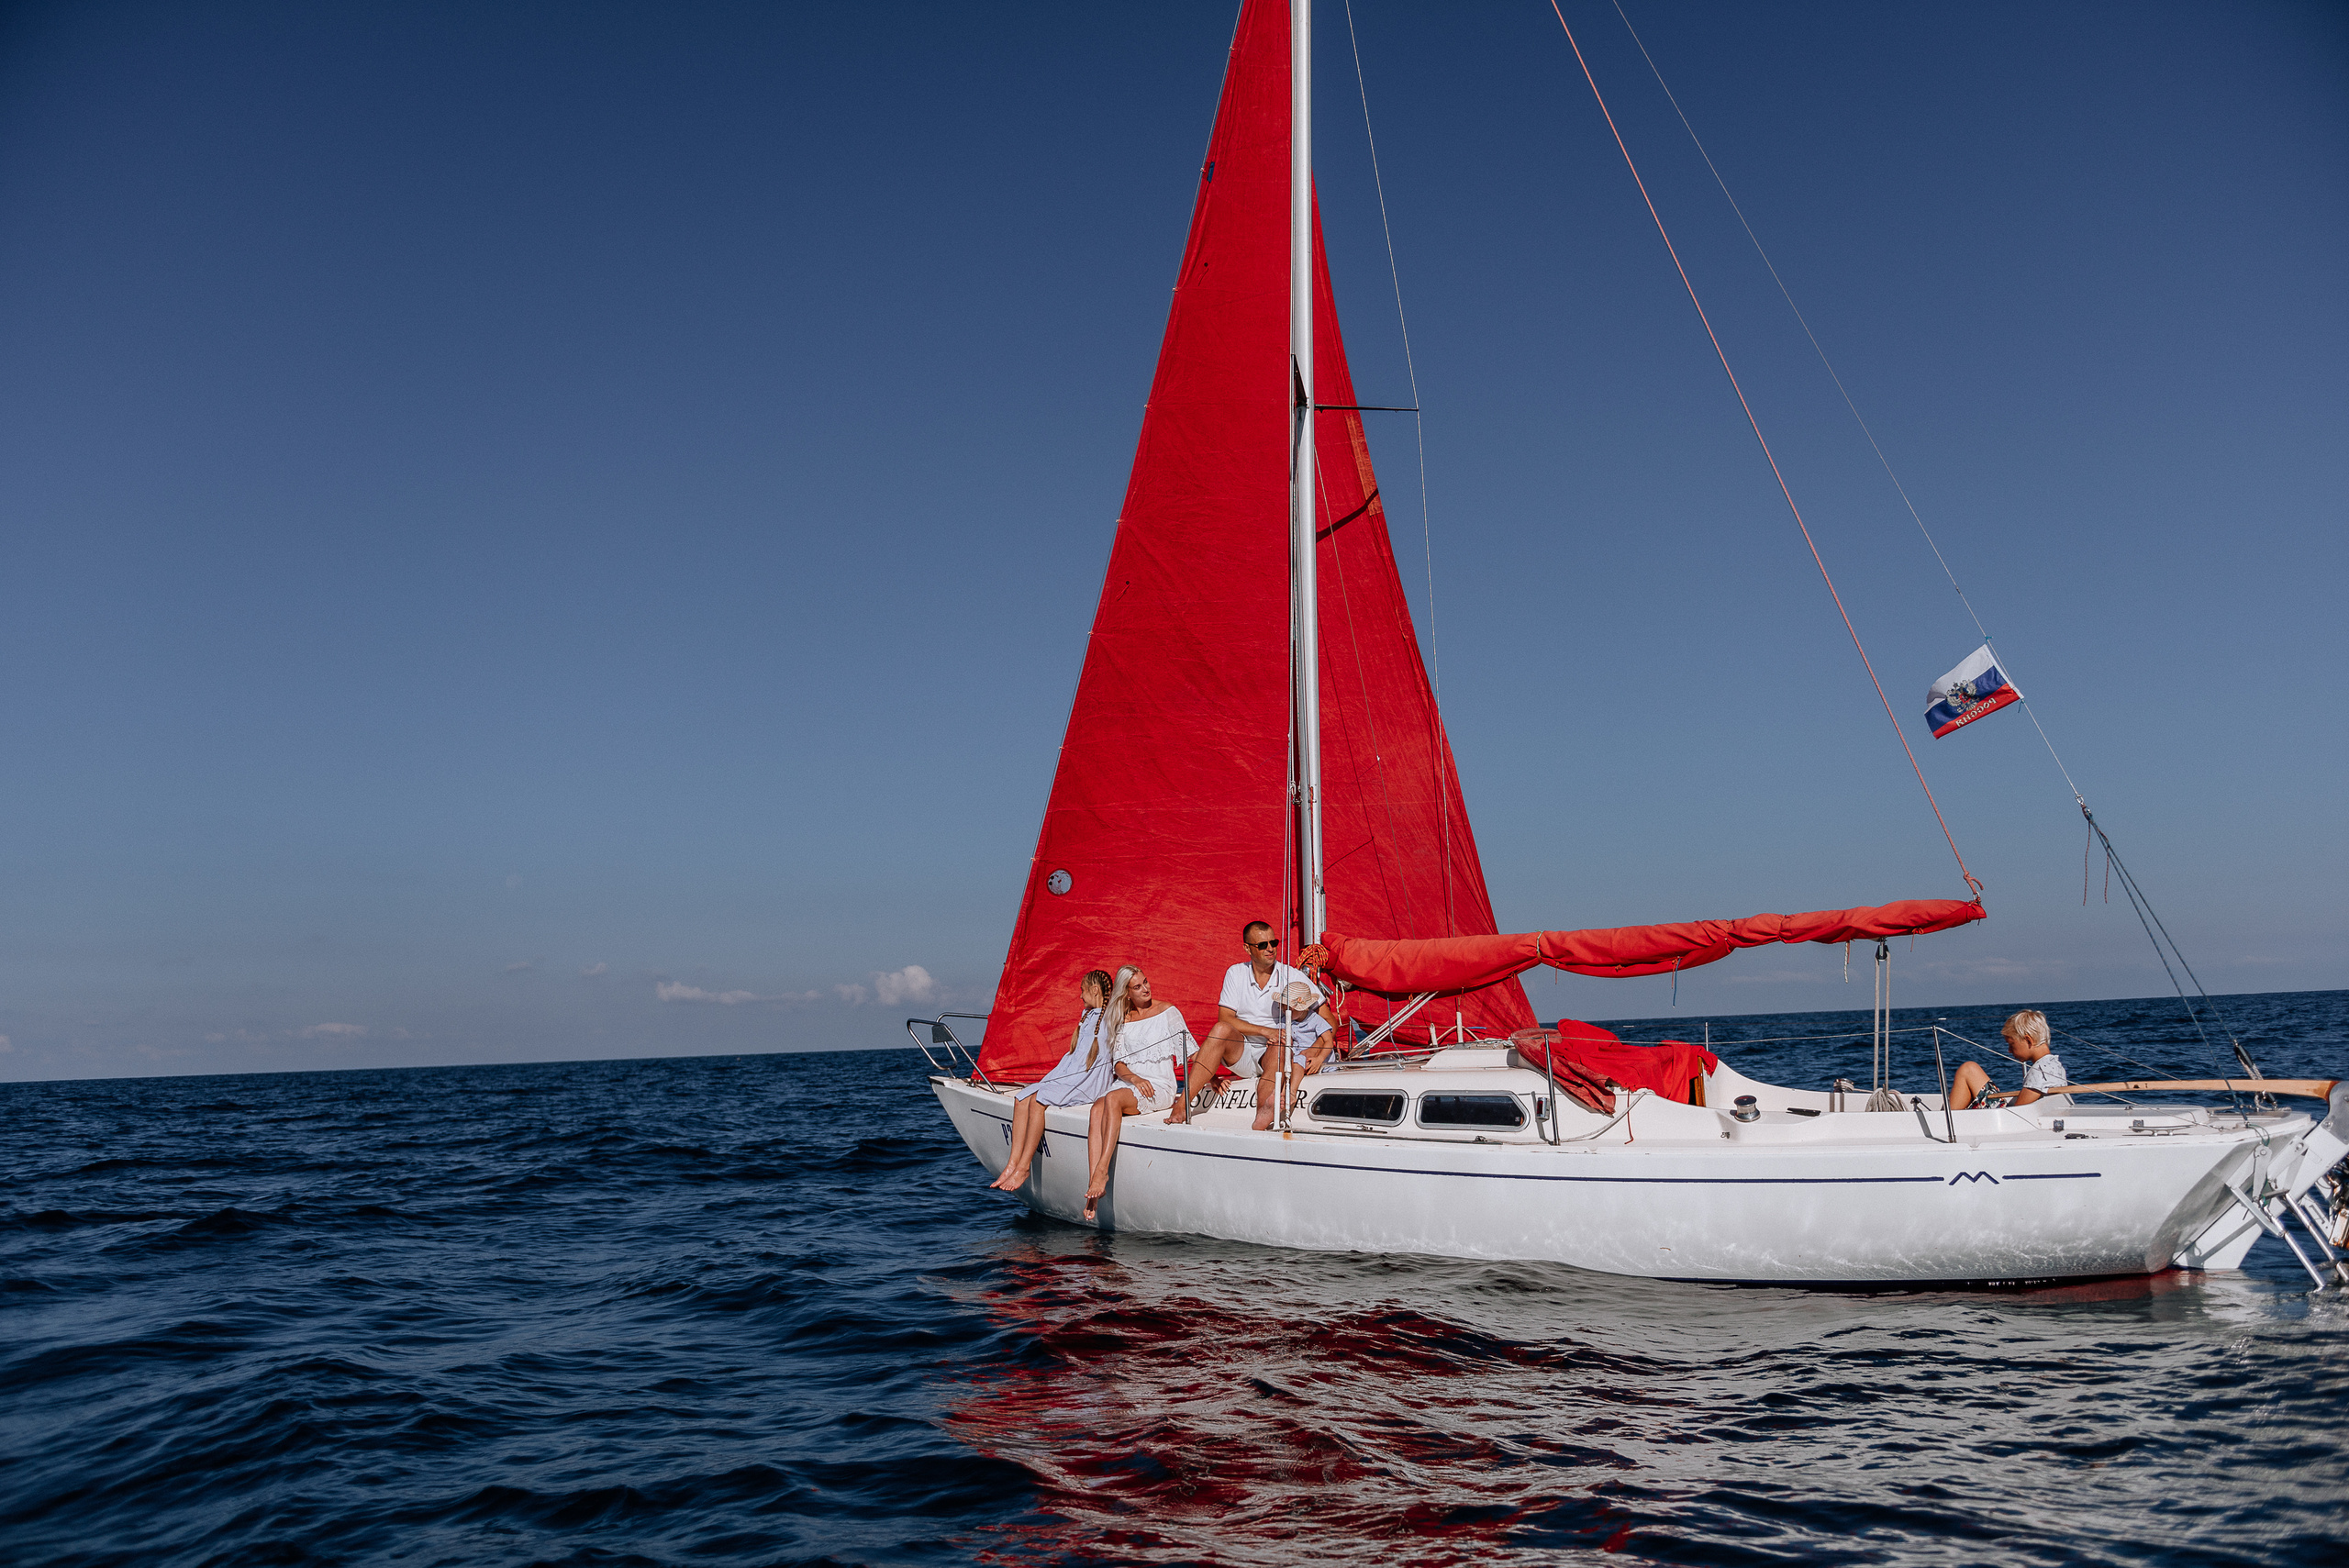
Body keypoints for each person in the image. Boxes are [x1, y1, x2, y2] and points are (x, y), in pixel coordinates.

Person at [1168, 920, 1333, 1129]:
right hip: (1242, 1051)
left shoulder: (1292, 976)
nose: (1270, 948)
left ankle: (1262, 1116)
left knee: (1280, 1046)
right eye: (1262, 945)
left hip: (1277, 1052)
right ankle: (1182, 1105)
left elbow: (1329, 1021)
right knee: (1220, 1029)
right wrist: (1265, 1031)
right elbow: (1225, 1018)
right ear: (1247, 948)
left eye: (1273, 942)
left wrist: (1315, 1052)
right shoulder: (1236, 973)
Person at [987, 968, 1116, 1192]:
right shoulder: (1087, 1016)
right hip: (1070, 1074)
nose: (1080, 996)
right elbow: (1074, 1057)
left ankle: (1024, 1167)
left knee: (1038, 1100)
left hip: (1088, 1081)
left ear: (1095, 990)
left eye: (1083, 990)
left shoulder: (1110, 1017)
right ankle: (1012, 1164)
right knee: (1021, 1098)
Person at [1080, 964, 1187, 1220]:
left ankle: (1102, 1171)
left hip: (1159, 1085)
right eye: (1137, 987)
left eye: (1145, 982)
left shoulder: (1168, 1011)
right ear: (1127, 993)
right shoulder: (1123, 1019)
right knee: (1097, 1108)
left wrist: (1211, 1078)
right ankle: (1093, 1183)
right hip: (1131, 1082)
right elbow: (1118, 1064)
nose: (1145, 989)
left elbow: (1189, 1053)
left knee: (1112, 1099)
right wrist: (1134, 1078)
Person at [1948, 1008, 2070, 1110]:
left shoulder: (2040, 1070)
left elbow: (2020, 1110)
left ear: (2028, 1040)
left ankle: (1946, 1122)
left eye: (2011, 1044)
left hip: (2011, 1121)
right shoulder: (2055, 1064)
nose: (2009, 1050)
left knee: (1968, 1069)